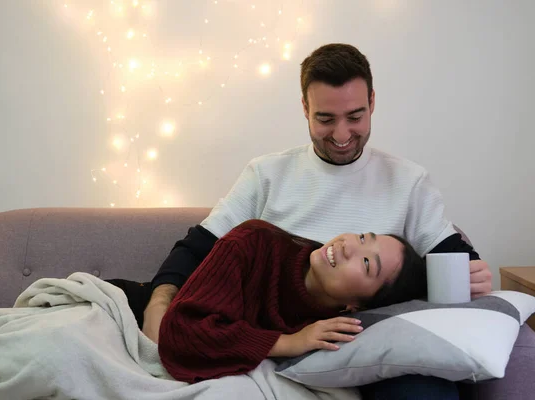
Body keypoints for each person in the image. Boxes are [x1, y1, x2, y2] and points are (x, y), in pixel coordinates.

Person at [142, 43, 492, 398]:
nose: (341, 135)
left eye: (355, 117)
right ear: (305, 108)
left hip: (359, 348)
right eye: (325, 119)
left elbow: (452, 257)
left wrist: (473, 271)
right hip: (270, 342)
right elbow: (199, 247)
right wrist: (158, 302)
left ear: (372, 102)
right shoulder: (266, 174)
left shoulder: (408, 181)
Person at [109, 219, 428, 383]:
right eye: (362, 237)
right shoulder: (254, 241)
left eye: (367, 264)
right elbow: (180, 332)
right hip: (128, 305)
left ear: (358, 306)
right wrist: (289, 342)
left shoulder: (336, 327)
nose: (347, 246)